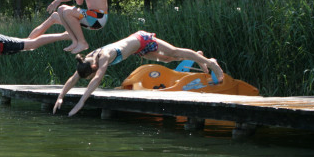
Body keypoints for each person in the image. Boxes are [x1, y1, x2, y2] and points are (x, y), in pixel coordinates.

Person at [52, 31, 225, 116]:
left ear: (94, 68)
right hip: (137, 49)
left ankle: (211, 63)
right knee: (167, 60)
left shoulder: (103, 57)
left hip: (143, 39)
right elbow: (73, 78)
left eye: (90, 75)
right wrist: (60, 96)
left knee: (173, 52)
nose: (91, 76)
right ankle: (198, 57)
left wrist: (81, 102)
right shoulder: (87, 61)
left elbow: (97, 79)